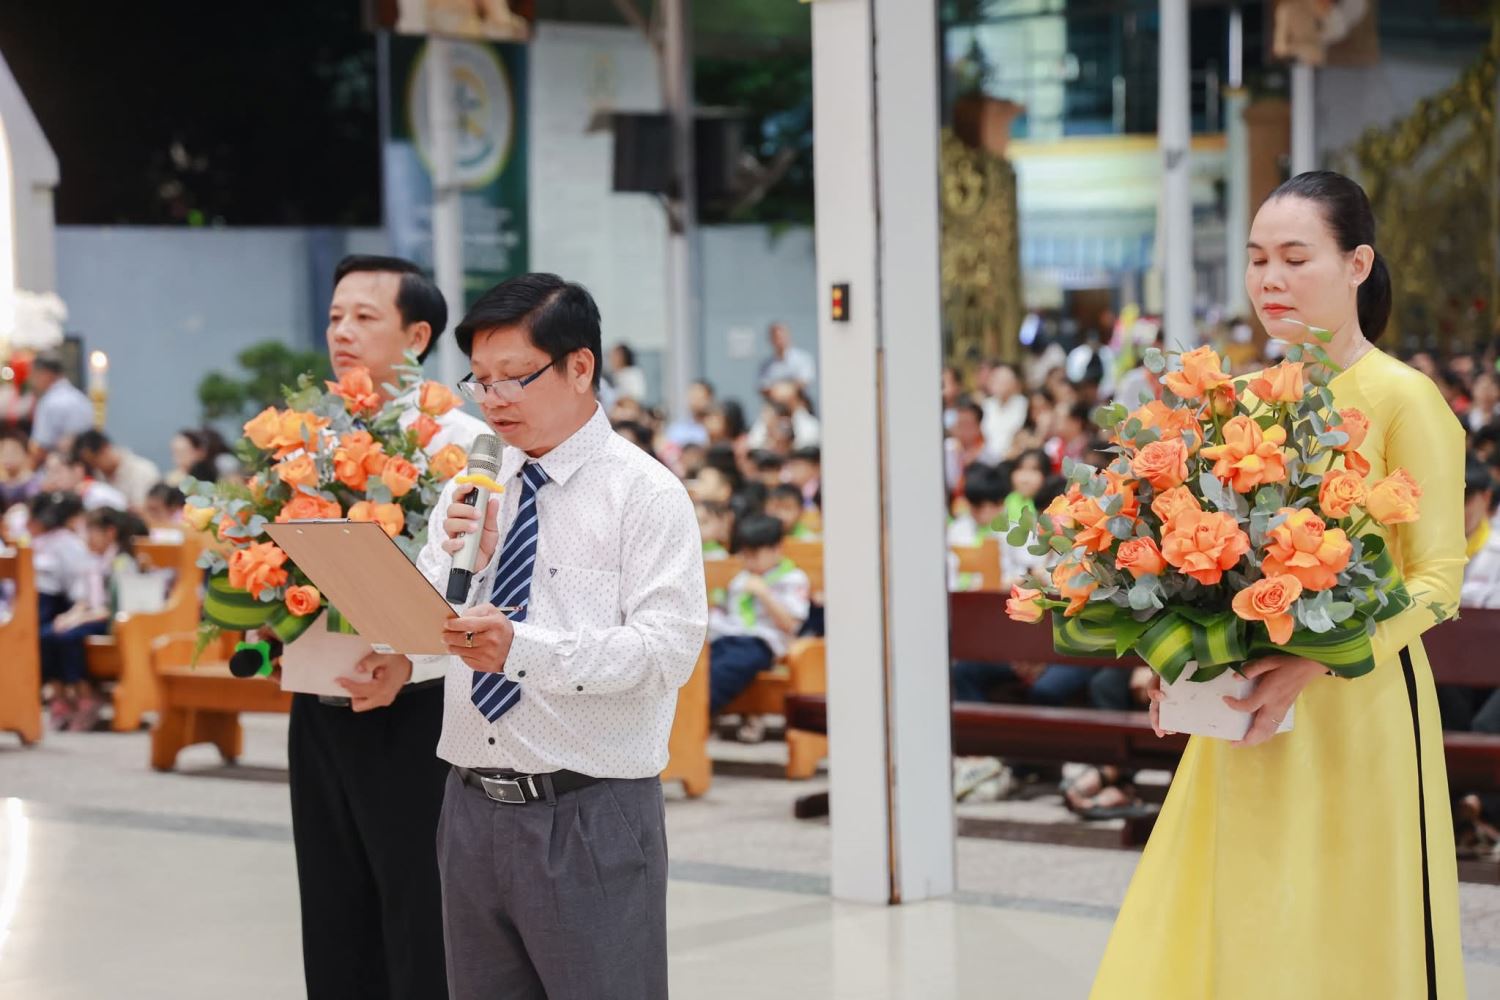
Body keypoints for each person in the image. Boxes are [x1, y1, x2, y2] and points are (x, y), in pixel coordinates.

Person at [1092, 171, 1468, 998]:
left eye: (1296, 258)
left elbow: (1439, 580)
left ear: (1357, 264)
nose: (1270, 279)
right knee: (1242, 908)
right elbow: (1205, 555)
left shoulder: (1405, 398)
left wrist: (1317, 660)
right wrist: (1179, 654)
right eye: (1258, 258)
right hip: (1246, 705)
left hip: (1360, 703)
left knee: (1348, 914)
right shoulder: (1241, 400)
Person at [412, 273, 705, 999]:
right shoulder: (473, 486)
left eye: (515, 377)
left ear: (580, 366)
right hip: (469, 807)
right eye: (480, 381)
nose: (494, 400)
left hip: (589, 813)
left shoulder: (645, 494)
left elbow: (665, 652)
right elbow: (426, 636)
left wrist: (522, 650)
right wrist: (455, 562)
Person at [287, 254, 487, 1000]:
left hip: (417, 708)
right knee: (333, 912)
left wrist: (414, 661)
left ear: (418, 336)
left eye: (364, 317)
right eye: (335, 316)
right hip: (320, 699)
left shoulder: (458, 445)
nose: (342, 331)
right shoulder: (307, 441)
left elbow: (475, 589)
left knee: (418, 911)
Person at [40, 506, 148, 730]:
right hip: (91, 615)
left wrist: (80, 619)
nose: (87, 538)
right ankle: (61, 696)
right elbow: (84, 599)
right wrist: (69, 616)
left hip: (112, 620)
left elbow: (116, 606)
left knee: (69, 638)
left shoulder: (122, 561)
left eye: (92, 532)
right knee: (48, 634)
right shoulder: (92, 560)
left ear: (110, 532)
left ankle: (85, 696)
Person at [707, 513, 810, 719]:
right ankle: (691, 712)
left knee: (724, 672)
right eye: (744, 555)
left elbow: (790, 625)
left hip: (761, 644)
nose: (748, 561)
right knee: (703, 667)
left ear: (776, 549)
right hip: (726, 638)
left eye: (754, 555)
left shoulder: (793, 579)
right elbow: (727, 611)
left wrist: (764, 593)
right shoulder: (741, 578)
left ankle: (696, 713)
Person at [71, 430, 161, 510]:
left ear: (105, 448)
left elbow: (146, 510)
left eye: (93, 461)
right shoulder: (96, 476)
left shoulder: (143, 471)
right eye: (89, 464)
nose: (94, 467)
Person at [27, 352, 95, 454]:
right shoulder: (81, 398)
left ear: (46, 374)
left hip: (59, 460)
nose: (32, 381)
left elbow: (40, 447)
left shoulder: (49, 402)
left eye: (35, 375)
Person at [758, 321, 817, 393]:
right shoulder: (766, 365)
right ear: (770, 340)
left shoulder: (803, 358)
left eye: (781, 337)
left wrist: (779, 389)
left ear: (788, 336)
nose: (779, 341)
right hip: (773, 399)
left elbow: (803, 382)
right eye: (775, 337)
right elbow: (763, 387)